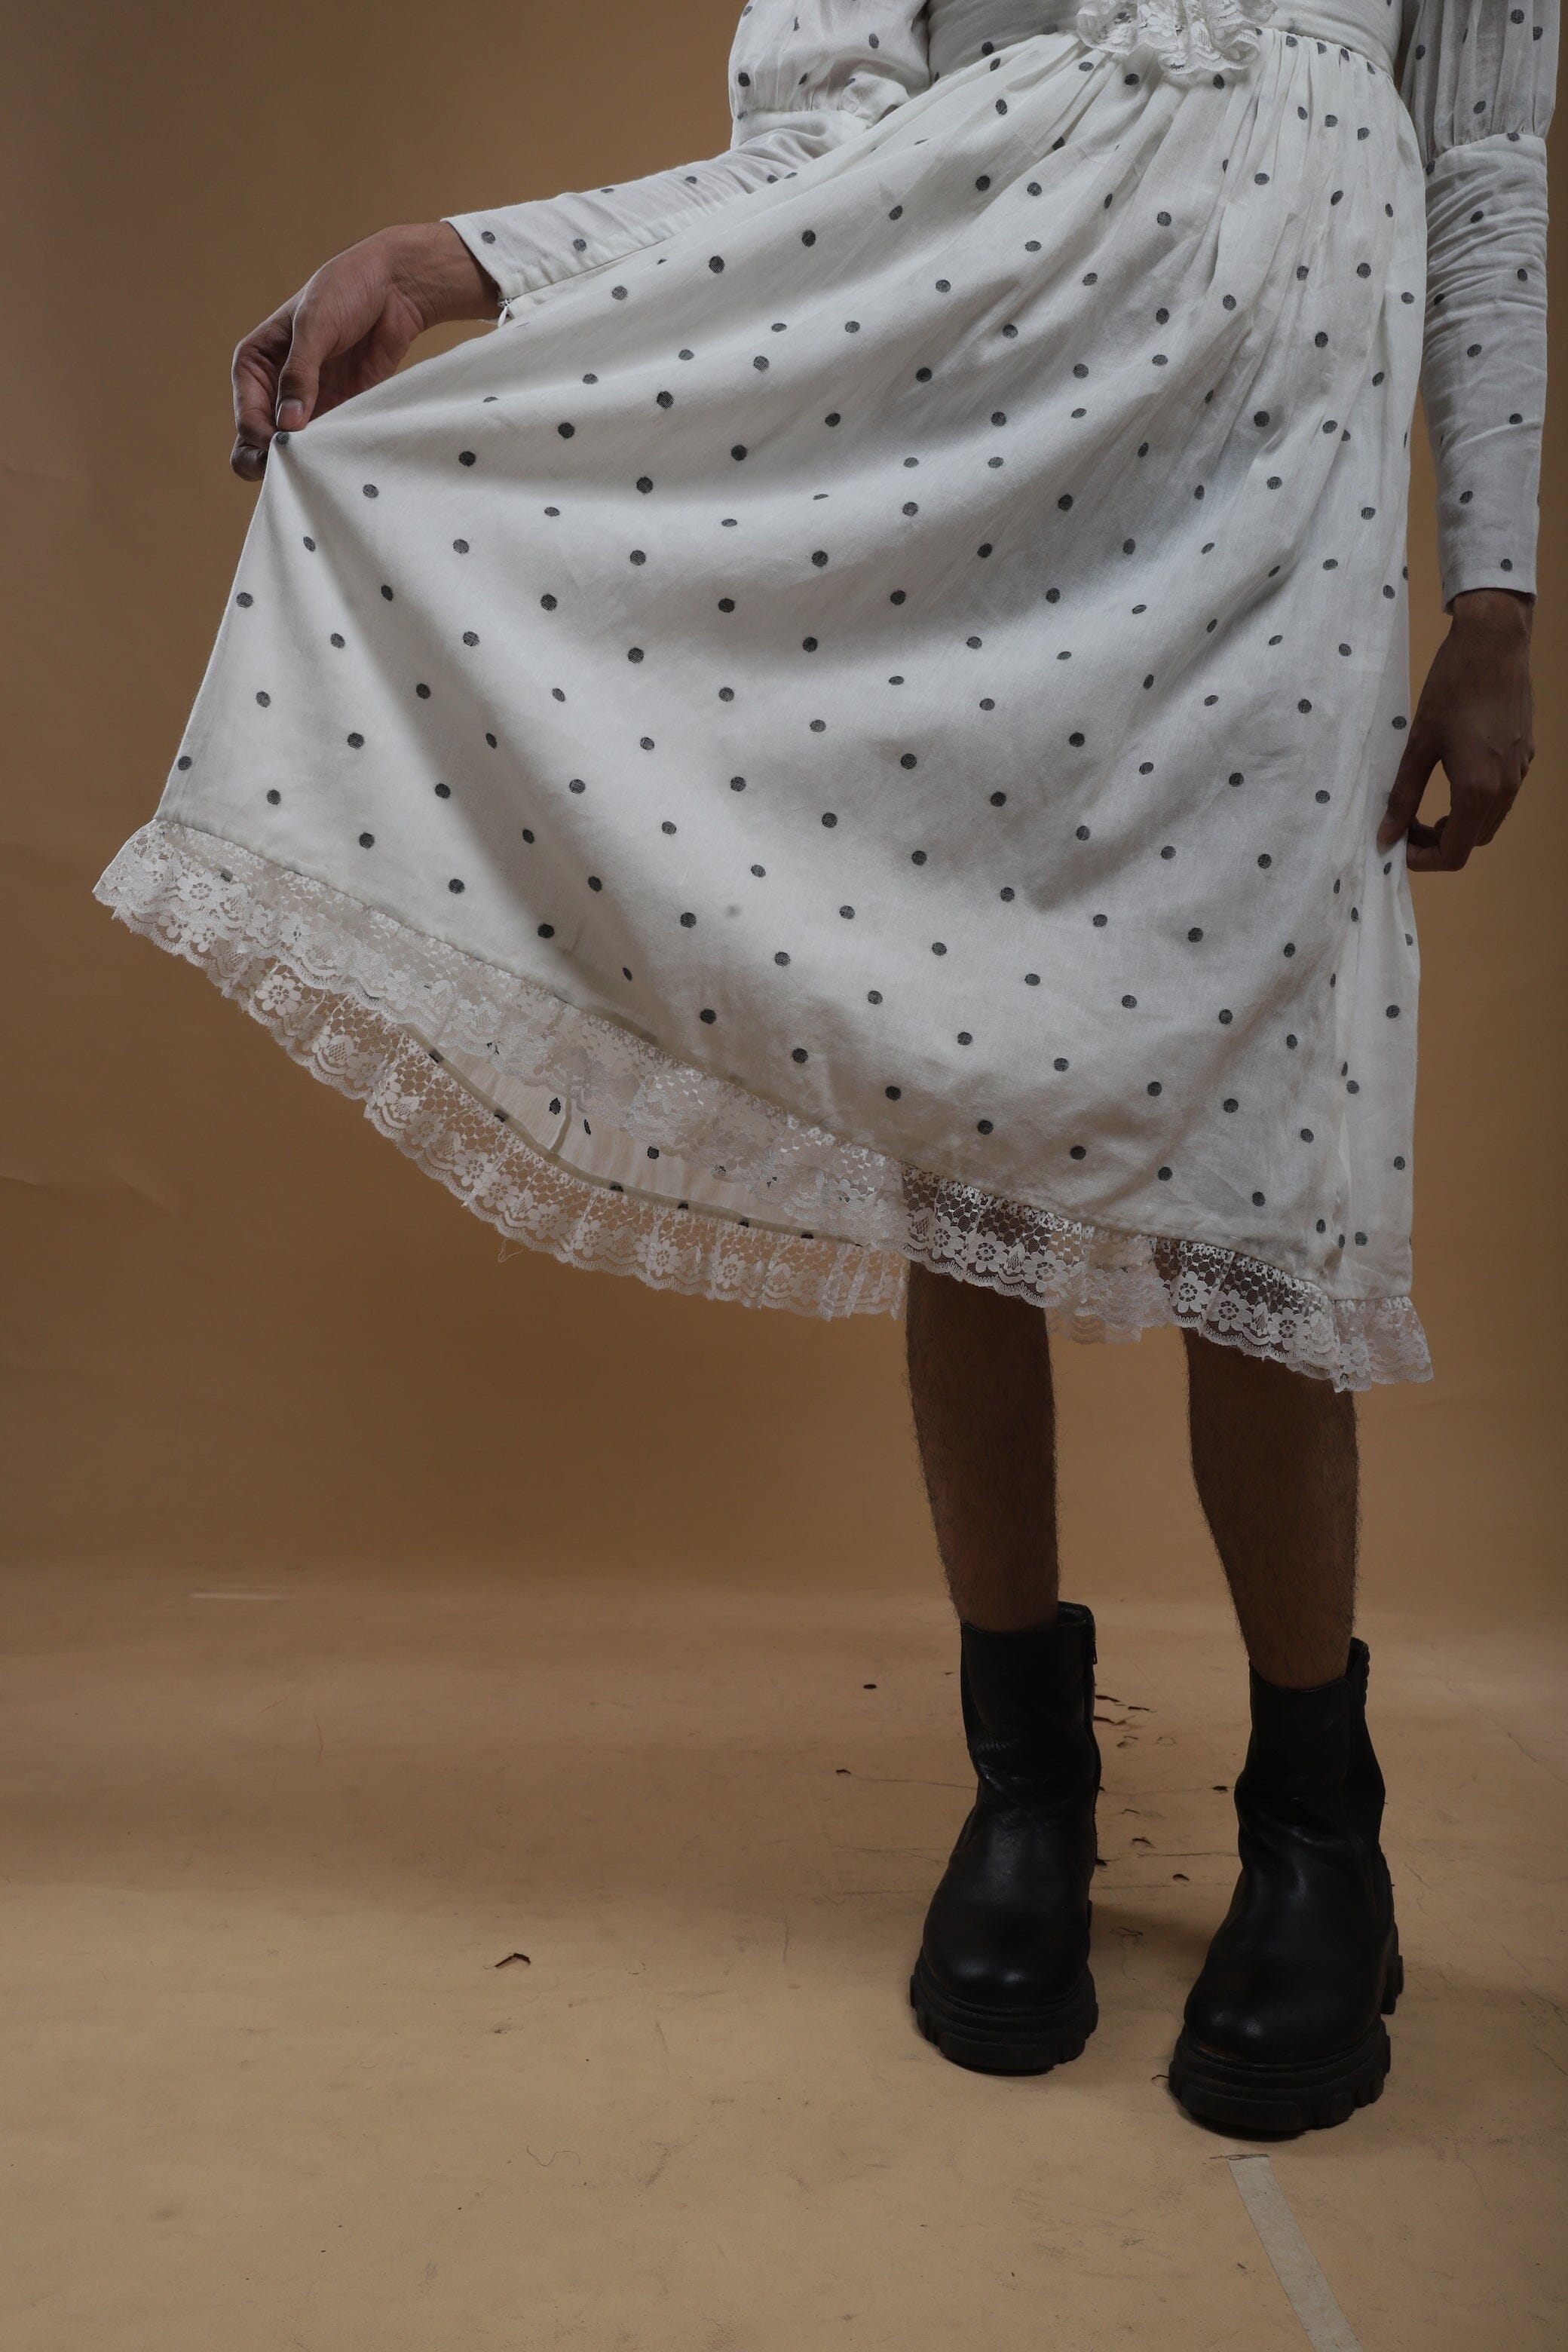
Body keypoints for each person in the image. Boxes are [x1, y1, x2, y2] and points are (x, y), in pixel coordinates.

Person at [94, 0, 1553, 2133]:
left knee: (1263, 1183)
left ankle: (1319, 1822)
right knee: (957, 1123)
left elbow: (1485, 173)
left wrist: (1496, 597)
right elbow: (811, 155)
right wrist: (461, 263)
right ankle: (1024, 1785)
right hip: (983, 453)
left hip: (1287, 503)